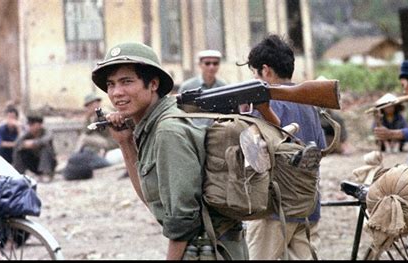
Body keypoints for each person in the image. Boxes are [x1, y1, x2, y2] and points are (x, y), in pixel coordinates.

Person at [91, 42, 248, 260]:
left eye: (126, 82)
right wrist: (125, 143)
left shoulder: (168, 131)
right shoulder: (153, 125)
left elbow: (182, 222)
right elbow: (153, 201)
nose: (117, 93)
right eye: (111, 84)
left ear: (153, 83)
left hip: (209, 250)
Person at [240, 34, 326, 260]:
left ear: (266, 71)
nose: (255, 78)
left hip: (275, 210)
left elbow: (254, 159)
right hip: (308, 205)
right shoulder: (309, 102)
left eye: (255, 73)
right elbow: (321, 150)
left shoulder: (266, 104)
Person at [12, 112, 57, 182]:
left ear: (39, 125)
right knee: (20, 150)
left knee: (46, 148)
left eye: (32, 125)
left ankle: (46, 174)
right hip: (34, 163)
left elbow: (45, 140)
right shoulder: (27, 133)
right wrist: (24, 145)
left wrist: (33, 143)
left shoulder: (47, 132)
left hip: (48, 164)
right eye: (29, 125)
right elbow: (18, 142)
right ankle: (18, 173)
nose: (30, 127)